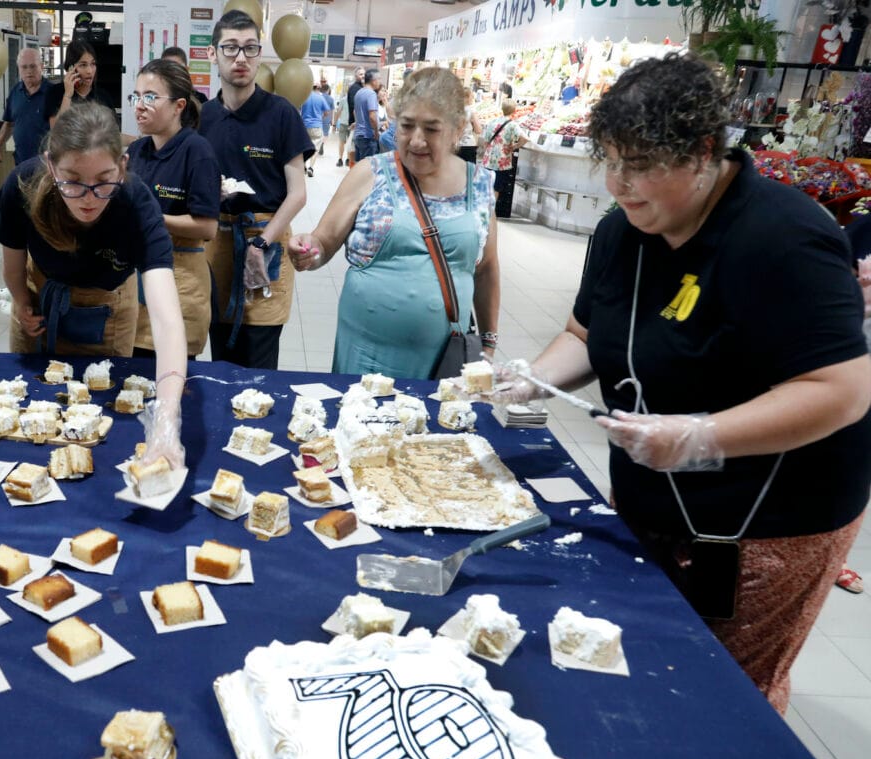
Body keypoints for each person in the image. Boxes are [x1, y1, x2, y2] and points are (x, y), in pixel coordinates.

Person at [497, 53, 871, 714]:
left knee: (723, 690)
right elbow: (586, 335)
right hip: (655, 498)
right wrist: (534, 377)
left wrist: (705, 437)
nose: (618, 184)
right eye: (609, 160)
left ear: (704, 153)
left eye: (640, 165)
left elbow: (841, 389)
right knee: (636, 654)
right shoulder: (621, 234)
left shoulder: (785, 237)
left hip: (767, 522)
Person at [0, 101, 187, 466]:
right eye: (73, 182)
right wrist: (23, 301)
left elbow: (167, 320)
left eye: (104, 181)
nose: (89, 198)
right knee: (29, 420)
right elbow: (13, 267)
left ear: (122, 167)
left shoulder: (137, 204)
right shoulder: (24, 184)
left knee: (100, 427)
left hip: (109, 303)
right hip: (41, 296)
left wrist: (166, 420)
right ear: (50, 164)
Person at [287, 67, 500, 380]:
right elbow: (323, 242)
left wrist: (489, 343)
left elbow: (487, 269)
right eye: (407, 125)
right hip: (366, 359)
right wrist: (307, 250)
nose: (416, 140)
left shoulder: (479, 185)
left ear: (457, 130)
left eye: (431, 129)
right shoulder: (369, 173)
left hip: (443, 362)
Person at [199, 9, 312, 369]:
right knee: (221, 353)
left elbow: (297, 193)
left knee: (259, 355)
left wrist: (263, 242)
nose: (241, 58)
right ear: (212, 53)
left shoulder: (280, 113)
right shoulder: (203, 118)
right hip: (217, 242)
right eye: (230, 48)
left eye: (250, 48)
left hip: (267, 238)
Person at [125, 59, 220, 358]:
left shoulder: (197, 151)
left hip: (180, 281)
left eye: (150, 97)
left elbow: (207, 227)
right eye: (136, 96)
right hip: (134, 284)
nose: (140, 105)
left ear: (179, 105)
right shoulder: (136, 152)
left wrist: (152, 218)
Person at [0, 48, 48, 167]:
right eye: (24, 67)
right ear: (19, 69)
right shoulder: (15, 92)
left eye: (33, 66)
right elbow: (8, 123)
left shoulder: (53, 92)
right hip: (21, 162)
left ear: (41, 67)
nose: (29, 71)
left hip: (47, 164)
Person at [44, 39, 113, 128]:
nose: (90, 71)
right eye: (83, 65)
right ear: (70, 68)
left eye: (93, 64)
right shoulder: (55, 92)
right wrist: (67, 95)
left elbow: (112, 131)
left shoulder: (103, 96)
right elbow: (56, 129)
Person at [477, 98, 527, 219]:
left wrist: (488, 149)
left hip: (488, 159)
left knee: (488, 184)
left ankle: (482, 209)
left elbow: (484, 140)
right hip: (502, 161)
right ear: (514, 110)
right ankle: (490, 212)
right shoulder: (513, 125)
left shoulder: (492, 122)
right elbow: (525, 139)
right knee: (497, 187)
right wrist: (514, 146)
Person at [300, 84, 330, 176]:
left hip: (304, 126)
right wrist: (320, 116)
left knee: (303, 148)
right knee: (315, 148)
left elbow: (298, 109)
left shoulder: (304, 97)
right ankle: (311, 168)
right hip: (316, 126)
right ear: (318, 89)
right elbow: (326, 112)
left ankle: (303, 166)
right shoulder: (321, 98)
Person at [352, 69, 381, 163]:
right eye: (379, 79)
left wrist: (358, 123)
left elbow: (355, 112)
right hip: (368, 136)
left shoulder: (359, 92)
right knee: (368, 169)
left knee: (359, 167)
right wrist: (376, 132)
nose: (380, 82)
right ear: (373, 80)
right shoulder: (371, 94)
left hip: (358, 135)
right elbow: (372, 116)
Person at [338, 67, 363, 167]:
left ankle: (347, 161)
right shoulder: (354, 88)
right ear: (356, 76)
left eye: (364, 74)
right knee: (350, 146)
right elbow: (354, 107)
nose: (363, 76)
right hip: (353, 124)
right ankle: (348, 163)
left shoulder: (361, 88)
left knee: (349, 145)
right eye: (361, 74)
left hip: (353, 123)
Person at [456, 86, 481, 163]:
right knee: (468, 172)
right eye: (471, 96)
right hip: (468, 144)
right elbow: (478, 130)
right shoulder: (471, 111)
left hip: (455, 145)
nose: (472, 98)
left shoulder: (453, 110)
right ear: (467, 97)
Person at [319, 82, 334, 157]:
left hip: (318, 117)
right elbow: (331, 110)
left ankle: (318, 144)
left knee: (318, 132)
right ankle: (322, 144)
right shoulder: (331, 99)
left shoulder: (319, 97)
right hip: (327, 118)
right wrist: (332, 120)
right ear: (328, 90)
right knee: (325, 133)